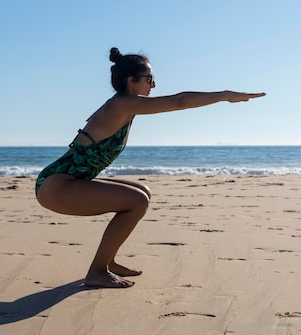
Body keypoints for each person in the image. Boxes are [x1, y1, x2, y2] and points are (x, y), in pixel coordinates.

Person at [35, 48, 265, 288]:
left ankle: (108, 261)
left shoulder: (125, 107)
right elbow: (179, 101)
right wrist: (226, 95)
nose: (153, 85)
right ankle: (97, 272)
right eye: (149, 79)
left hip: (63, 182)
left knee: (142, 192)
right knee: (136, 201)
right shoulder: (120, 105)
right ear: (130, 81)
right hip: (56, 186)